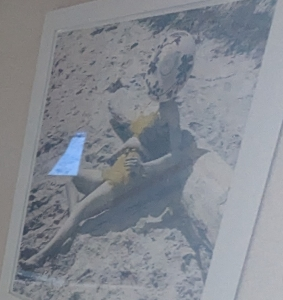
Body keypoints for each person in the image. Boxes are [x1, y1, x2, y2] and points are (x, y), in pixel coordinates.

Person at [23, 31, 207, 267]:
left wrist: (145, 168)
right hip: (119, 165)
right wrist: (120, 151)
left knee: (81, 210)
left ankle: (42, 255)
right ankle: (72, 229)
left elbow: (175, 156)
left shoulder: (171, 111)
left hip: (130, 174)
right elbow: (140, 138)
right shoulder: (156, 105)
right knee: (71, 176)